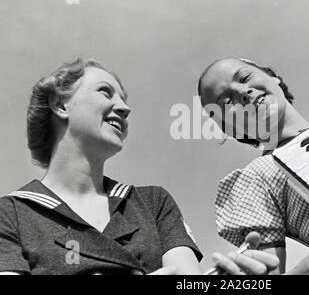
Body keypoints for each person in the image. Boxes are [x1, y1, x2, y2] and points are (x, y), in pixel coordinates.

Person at [0, 58, 279, 275]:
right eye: (106, 93)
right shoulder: (10, 214)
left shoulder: (152, 203)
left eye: (124, 99)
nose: (124, 108)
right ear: (61, 105)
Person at [198, 57, 309, 274]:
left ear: (273, 77)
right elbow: (268, 275)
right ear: (232, 129)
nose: (243, 93)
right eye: (227, 102)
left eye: (244, 78)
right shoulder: (256, 177)